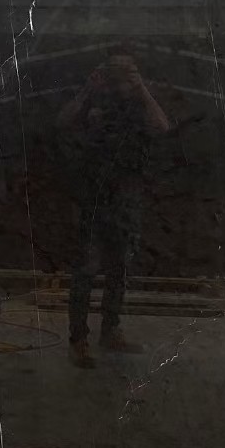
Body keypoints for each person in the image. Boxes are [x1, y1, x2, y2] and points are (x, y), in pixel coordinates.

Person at [57, 46, 169, 368]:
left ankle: (110, 331)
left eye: (126, 71)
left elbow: (162, 127)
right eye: (114, 70)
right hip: (95, 197)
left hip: (125, 197)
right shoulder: (94, 98)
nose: (119, 78)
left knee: (119, 267)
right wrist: (87, 91)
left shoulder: (139, 103)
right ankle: (78, 339)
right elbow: (62, 123)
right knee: (87, 269)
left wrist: (140, 87)